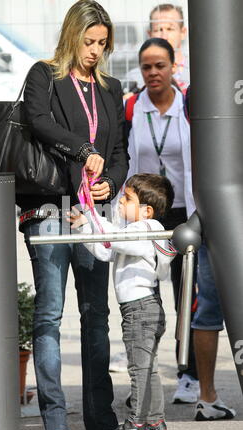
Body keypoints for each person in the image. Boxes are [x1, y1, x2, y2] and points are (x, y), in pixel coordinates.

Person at [17, 0, 129, 430]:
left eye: (103, 43)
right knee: (48, 314)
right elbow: (38, 122)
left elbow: (118, 151)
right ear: (72, 36)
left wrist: (111, 185)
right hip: (48, 208)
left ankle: (101, 417)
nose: (96, 51)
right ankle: (56, 419)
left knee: (96, 314)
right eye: (89, 41)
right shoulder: (44, 74)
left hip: (91, 213)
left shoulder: (112, 87)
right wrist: (84, 150)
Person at [68, 173, 176, 430]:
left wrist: (91, 216)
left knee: (139, 369)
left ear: (147, 209)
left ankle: (137, 422)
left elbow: (112, 238)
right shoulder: (135, 232)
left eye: (127, 198)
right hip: (142, 309)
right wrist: (85, 227)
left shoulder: (146, 228)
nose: (119, 203)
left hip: (141, 309)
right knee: (147, 367)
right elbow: (106, 250)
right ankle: (155, 421)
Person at [125, 38, 199, 404]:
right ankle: (145, 377)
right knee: (144, 295)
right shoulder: (132, 108)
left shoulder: (188, 107)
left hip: (185, 211)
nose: (153, 73)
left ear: (173, 67)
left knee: (187, 294)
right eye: (147, 67)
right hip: (146, 215)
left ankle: (190, 375)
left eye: (160, 66)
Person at [185, 87, 236, 421]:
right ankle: (206, 395)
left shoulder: (197, 95)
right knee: (207, 312)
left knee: (207, 311)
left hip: (210, 217)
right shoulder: (198, 95)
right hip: (211, 221)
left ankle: (206, 395)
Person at [124, 3, 189, 97]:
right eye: (158, 29)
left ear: (183, 32)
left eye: (170, 29)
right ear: (149, 34)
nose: (164, 36)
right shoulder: (134, 78)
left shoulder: (199, 73)